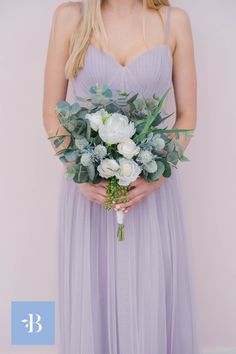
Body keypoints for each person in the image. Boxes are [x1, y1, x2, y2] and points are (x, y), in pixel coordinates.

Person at [43, 0, 200, 353]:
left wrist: (158, 175)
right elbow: (53, 113)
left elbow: (187, 114)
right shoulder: (71, 17)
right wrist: (78, 174)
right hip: (90, 195)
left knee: (149, 295)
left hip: (150, 194)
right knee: (92, 297)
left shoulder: (174, 22)